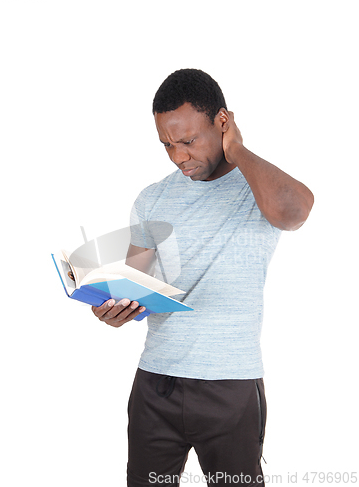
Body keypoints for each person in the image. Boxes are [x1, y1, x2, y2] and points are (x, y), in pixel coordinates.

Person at [92, 69, 314, 486]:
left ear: (223, 122)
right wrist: (114, 307)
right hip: (155, 384)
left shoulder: (258, 189)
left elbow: (294, 212)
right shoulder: (152, 197)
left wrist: (239, 151)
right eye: (167, 144)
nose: (178, 156)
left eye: (189, 141)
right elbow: (135, 282)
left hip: (229, 385)